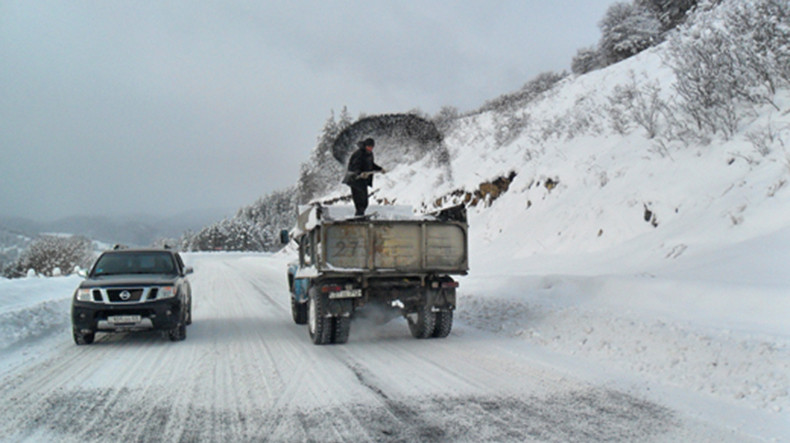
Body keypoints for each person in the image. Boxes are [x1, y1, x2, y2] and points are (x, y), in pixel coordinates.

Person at [343, 137, 385, 216]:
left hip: (362, 180)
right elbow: (355, 166)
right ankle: (359, 214)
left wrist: (380, 169)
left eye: (372, 147)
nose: (370, 148)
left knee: (365, 201)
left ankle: (360, 214)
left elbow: (371, 165)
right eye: (369, 146)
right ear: (365, 145)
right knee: (359, 200)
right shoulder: (359, 153)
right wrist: (360, 173)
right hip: (354, 179)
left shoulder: (369, 154)